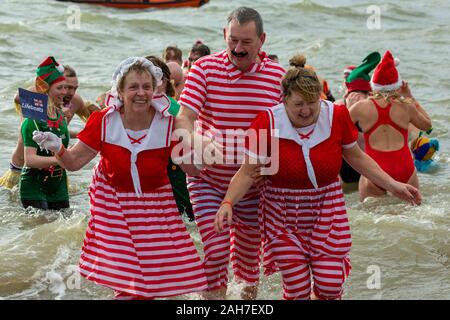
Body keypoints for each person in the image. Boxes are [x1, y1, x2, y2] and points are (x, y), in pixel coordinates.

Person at [214, 55, 422, 300]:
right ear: (284, 100)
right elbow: (247, 172)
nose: (306, 110)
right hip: (282, 212)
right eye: (299, 104)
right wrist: (228, 203)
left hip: (326, 205)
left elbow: (356, 157)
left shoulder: (336, 115)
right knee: (298, 288)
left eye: (312, 102)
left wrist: (393, 185)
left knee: (330, 284)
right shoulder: (266, 122)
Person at [32, 57, 207, 299]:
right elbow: (73, 163)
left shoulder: (168, 123)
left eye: (147, 86)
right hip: (112, 203)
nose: (141, 93)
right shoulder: (104, 121)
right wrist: (58, 148)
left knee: (154, 281)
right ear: (121, 91)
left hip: (156, 205)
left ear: (155, 89)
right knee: (131, 280)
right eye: (133, 87)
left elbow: (192, 169)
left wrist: (207, 153)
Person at [176, 6, 285, 299]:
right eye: (232, 40)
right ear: (224, 35)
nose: (237, 49)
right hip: (208, 180)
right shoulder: (204, 69)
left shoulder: (278, 77)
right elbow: (184, 117)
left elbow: (290, 131)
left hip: (254, 186)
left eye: (245, 42)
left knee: (249, 265)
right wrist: (197, 142)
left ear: (262, 40)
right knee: (215, 250)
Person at [349, 51, 432, 201]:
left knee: (373, 218)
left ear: (373, 85)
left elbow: (337, 129)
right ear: (397, 84)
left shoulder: (361, 107)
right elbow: (427, 125)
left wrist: (348, 105)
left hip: (375, 169)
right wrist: (409, 96)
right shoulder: (406, 105)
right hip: (404, 167)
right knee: (410, 215)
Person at [0, 65, 99, 190]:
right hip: (23, 168)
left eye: (74, 88)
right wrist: (56, 108)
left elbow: (100, 124)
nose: (69, 93)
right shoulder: (37, 95)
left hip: (53, 170)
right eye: (65, 87)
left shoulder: (76, 102)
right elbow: (18, 97)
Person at [147, 55, 195, 221]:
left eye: (155, 79)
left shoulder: (175, 108)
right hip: (156, 173)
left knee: (184, 214)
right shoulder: (134, 106)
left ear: (165, 82)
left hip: (176, 169)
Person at [20, 56, 70, 210]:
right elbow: (30, 160)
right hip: (34, 188)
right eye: (59, 88)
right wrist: (64, 159)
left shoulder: (61, 116)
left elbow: (59, 134)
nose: (65, 92)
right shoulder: (32, 121)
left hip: (59, 186)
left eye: (65, 87)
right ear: (45, 89)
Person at [337, 52, 381, 183]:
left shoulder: (373, 107)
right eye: (352, 94)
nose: (355, 98)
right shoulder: (339, 106)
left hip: (366, 166)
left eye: (358, 94)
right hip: (349, 167)